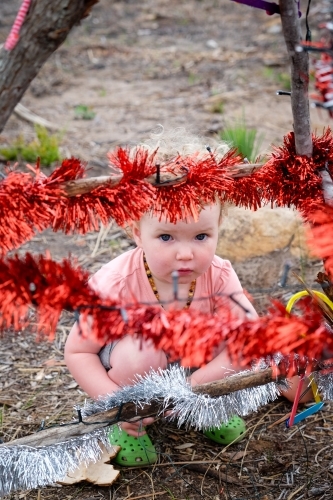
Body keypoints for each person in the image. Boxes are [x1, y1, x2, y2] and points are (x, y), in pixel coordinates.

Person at [64, 128, 309, 466]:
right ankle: (126, 427)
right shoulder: (116, 284)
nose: (185, 254)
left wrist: (196, 389)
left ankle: (202, 407)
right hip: (130, 367)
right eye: (166, 237)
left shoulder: (218, 275)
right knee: (142, 353)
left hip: (189, 368)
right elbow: (78, 352)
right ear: (136, 231)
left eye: (201, 236)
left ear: (219, 226)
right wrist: (113, 401)